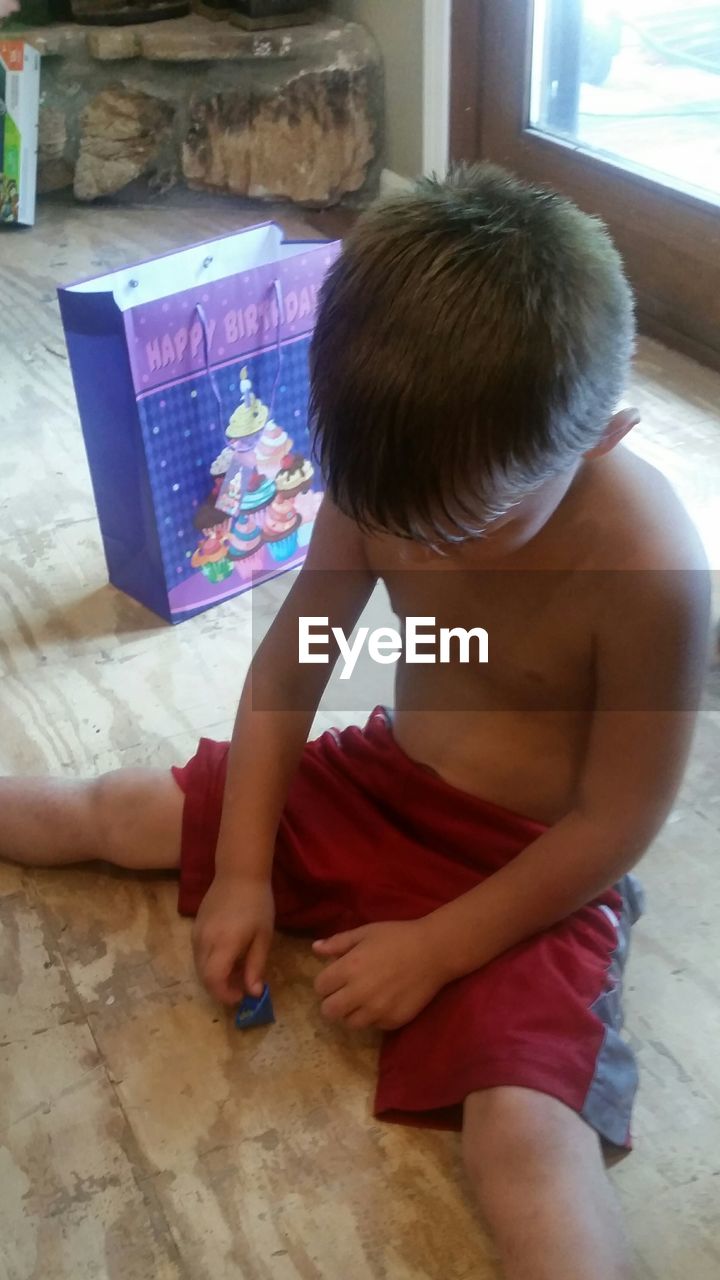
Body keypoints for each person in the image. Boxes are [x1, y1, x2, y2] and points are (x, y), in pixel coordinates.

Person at [1, 167, 710, 1280]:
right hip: (383, 780)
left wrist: (441, 944)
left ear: (601, 439)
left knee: (526, 1137)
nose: (421, 552)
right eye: (392, 521)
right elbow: (292, 664)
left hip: (532, 866)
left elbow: (616, 825)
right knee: (117, 805)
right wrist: (243, 871)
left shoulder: (651, 567)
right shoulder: (388, 480)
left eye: (468, 523)